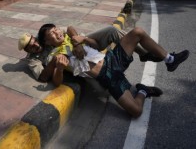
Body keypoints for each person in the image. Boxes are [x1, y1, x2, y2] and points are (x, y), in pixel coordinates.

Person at [37, 24, 189, 118]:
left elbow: (70, 27)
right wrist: (59, 68)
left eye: (56, 29)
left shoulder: (71, 36)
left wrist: (79, 41)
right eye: (52, 33)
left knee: (137, 32)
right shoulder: (53, 56)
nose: (57, 33)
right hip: (108, 78)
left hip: (112, 59)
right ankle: (143, 91)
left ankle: (169, 59)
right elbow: (48, 79)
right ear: (47, 41)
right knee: (136, 111)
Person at [18, 25, 162, 82]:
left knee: (112, 31)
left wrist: (78, 42)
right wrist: (55, 62)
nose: (35, 45)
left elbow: (69, 28)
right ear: (27, 51)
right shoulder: (34, 60)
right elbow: (43, 77)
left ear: (38, 38)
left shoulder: (47, 36)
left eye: (35, 41)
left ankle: (143, 53)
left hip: (87, 44)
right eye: (31, 47)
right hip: (84, 58)